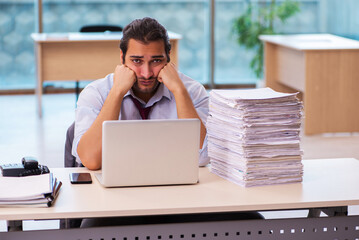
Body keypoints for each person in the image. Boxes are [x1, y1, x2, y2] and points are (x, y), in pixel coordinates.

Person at [72, 17, 209, 169]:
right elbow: (91, 160)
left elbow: (203, 157)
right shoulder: (96, 92)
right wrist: (117, 92)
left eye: (156, 60)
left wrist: (179, 91)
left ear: (168, 57)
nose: (146, 73)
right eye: (137, 61)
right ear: (122, 57)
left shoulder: (192, 91)